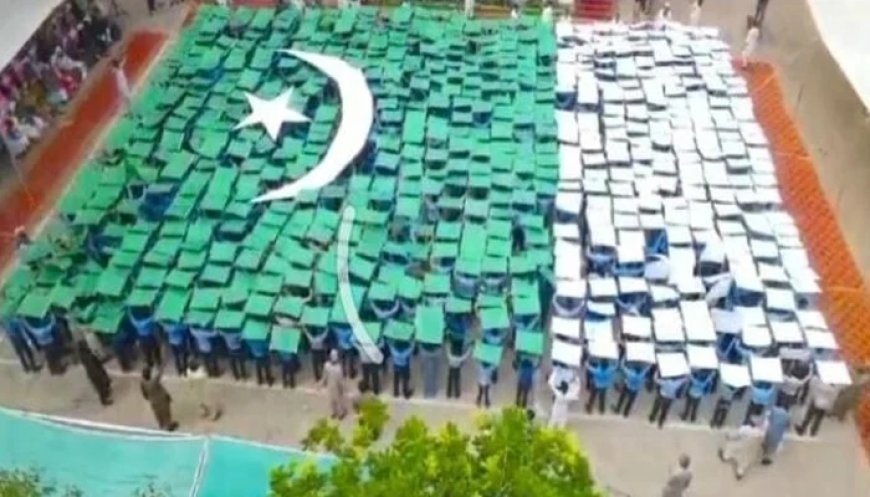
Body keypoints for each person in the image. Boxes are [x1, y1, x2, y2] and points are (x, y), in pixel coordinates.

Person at [140, 365, 177, 431]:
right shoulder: (153, 381)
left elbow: (144, 394)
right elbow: (159, 374)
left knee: (159, 414)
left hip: (154, 402)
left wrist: (149, 398)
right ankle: (169, 426)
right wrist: (162, 365)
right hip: (162, 400)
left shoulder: (142, 383)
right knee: (166, 414)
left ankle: (162, 425)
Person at [78, 341, 112, 405]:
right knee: (101, 386)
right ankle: (104, 400)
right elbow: (93, 363)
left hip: (92, 372)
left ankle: (105, 395)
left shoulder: (83, 354)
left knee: (101, 385)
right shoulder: (87, 355)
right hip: (95, 372)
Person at [321, 349, 348, 419]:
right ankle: (340, 413)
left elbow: (324, 375)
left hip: (330, 385)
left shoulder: (326, 365)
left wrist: (323, 383)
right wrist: (342, 388)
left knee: (332, 400)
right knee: (338, 400)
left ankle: (335, 413)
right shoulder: (338, 368)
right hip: (336, 386)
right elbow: (341, 380)